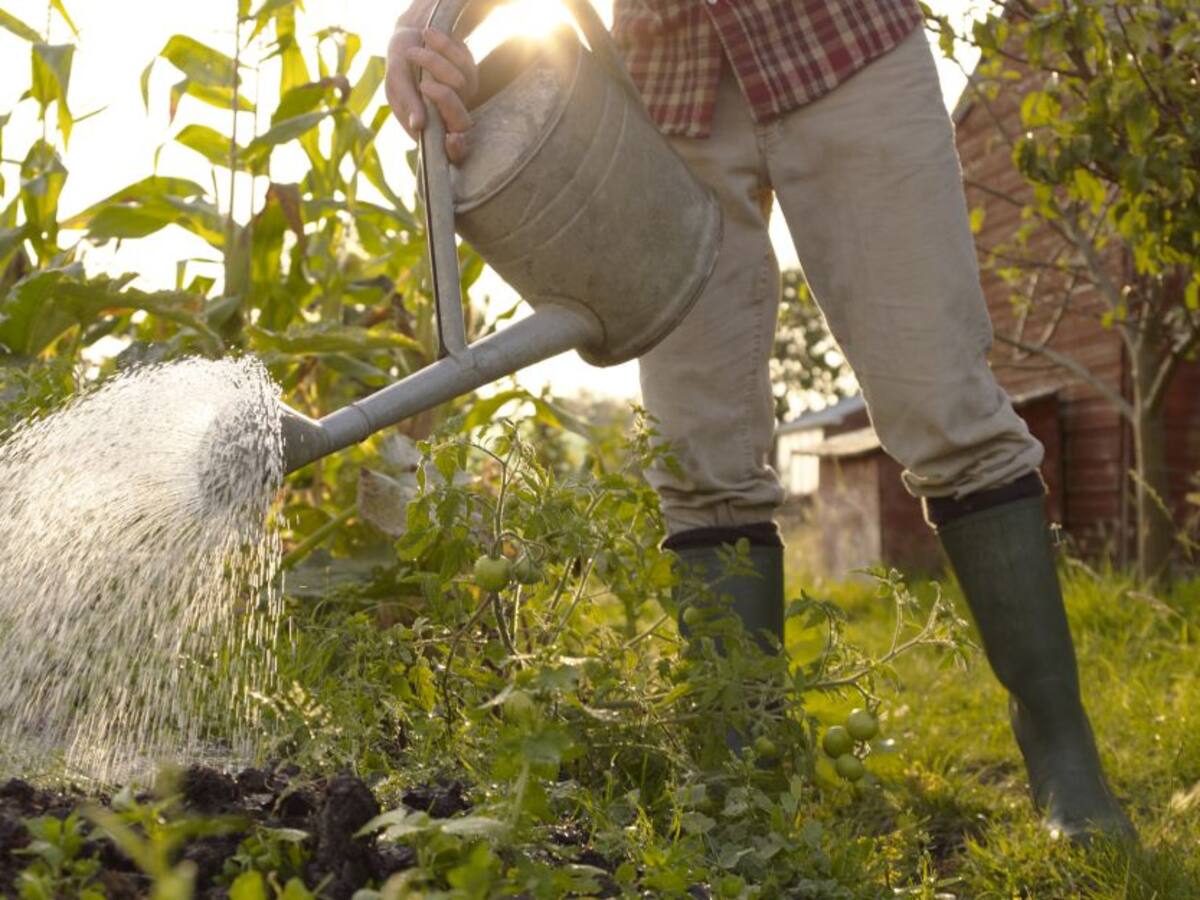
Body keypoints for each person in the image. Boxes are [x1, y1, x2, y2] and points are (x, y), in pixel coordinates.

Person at [385, 0, 1133, 842]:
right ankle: (738, 777)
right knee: (700, 455)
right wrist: (432, 23)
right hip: (668, 86)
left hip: (841, 44)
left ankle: (1059, 746)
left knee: (944, 407)